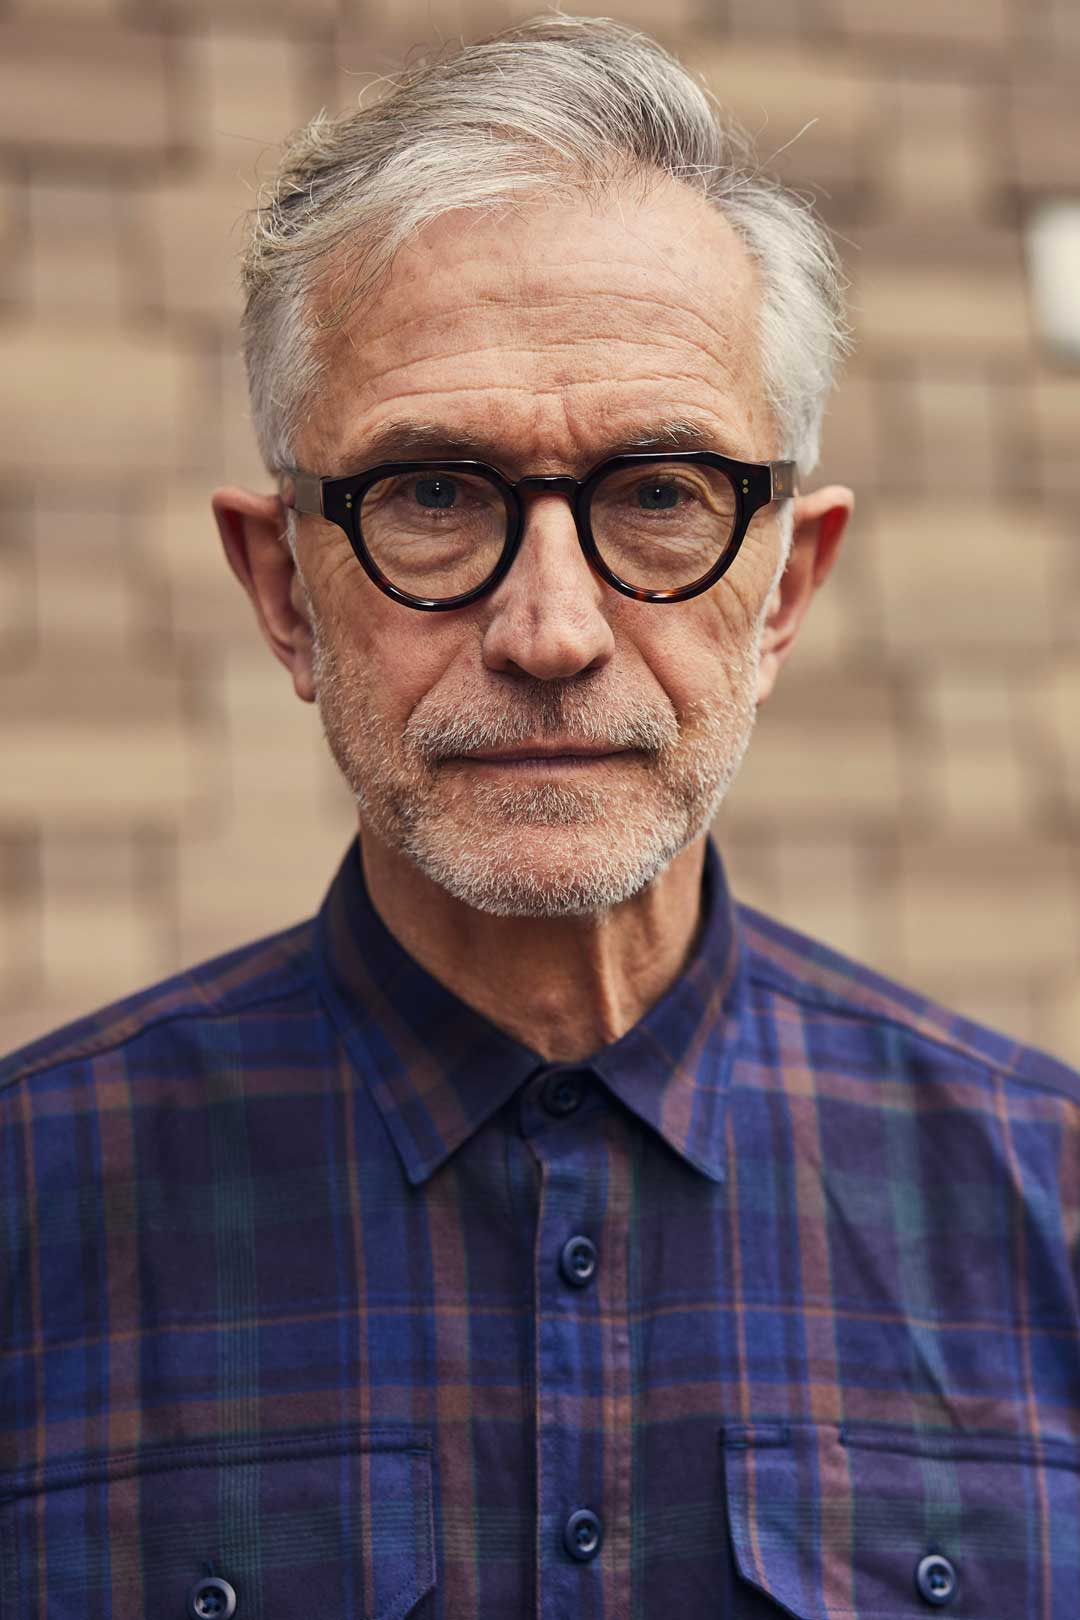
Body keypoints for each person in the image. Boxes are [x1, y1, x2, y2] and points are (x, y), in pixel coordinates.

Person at [2, 14, 1078, 1619]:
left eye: (659, 493)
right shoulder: (33, 1209)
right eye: (433, 493)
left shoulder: (1047, 1199)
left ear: (784, 589)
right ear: (283, 592)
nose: (553, 630)